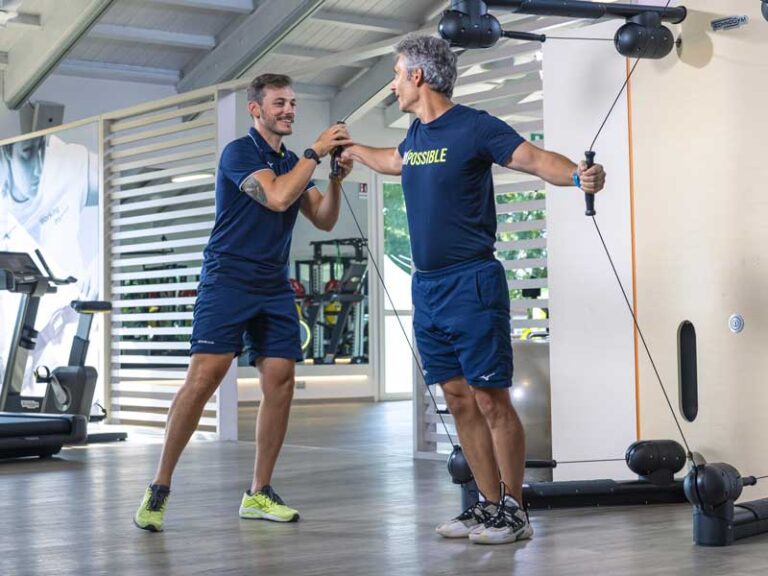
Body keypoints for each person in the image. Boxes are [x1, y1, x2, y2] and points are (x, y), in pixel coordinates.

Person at [342, 35, 605, 545]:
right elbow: (392, 162)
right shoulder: (415, 136)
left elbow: (531, 158)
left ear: (418, 76)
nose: (393, 83)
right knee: (458, 399)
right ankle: (486, 506)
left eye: (397, 73)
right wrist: (350, 148)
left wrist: (578, 176)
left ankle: (515, 509)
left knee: (490, 398)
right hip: (428, 287)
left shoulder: (475, 127)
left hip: (472, 281)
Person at [133, 73, 353, 532]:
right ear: (257, 110)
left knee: (281, 378)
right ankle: (160, 486)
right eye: (279, 103)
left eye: (293, 102)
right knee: (204, 379)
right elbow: (276, 197)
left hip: (272, 283)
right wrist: (314, 153)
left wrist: (333, 178)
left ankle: (258, 492)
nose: (288, 110)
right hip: (227, 279)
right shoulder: (239, 153)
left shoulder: (294, 161)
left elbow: (326, 220)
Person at [0, 133, 99, 391]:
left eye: (41, 150)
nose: (39, 168)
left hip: (64, 318)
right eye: (28, 154)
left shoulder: (68, 163)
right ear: (7, 155)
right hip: (16, 338)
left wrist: (101, 267)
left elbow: (121, 181)